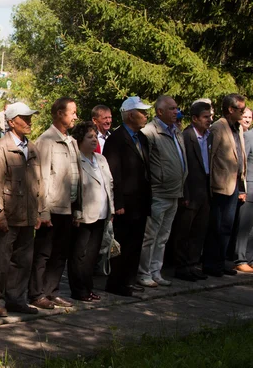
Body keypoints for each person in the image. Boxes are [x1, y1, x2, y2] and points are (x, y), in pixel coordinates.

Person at [0, 102, 41, 317]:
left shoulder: (33, 147)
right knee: (0, 260)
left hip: (28, 213)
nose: (29, 122)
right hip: (8, 214)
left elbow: (39, 181)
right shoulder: (1, 147)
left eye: (30, 117)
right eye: (24, 118)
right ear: (11, 122)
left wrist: (40, 211)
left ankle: (17, 299)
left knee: (23, 260)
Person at [28, 97, 81, 309]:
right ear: (59, 113)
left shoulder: (72, 141)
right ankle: (36, 293)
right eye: (72, 112)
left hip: (68, 207)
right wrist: (43, 211)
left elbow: (77, 176)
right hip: (51, 208)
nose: (76, 116)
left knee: (61, 253)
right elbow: (41, 178)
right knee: (43, 253)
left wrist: (78, 208)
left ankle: (52, 291)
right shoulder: (47, 141)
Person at [103, 96, 152, 297]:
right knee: (122, 243)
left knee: (136, 243)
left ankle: (129, 280)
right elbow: (113, 172)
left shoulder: (142, 138)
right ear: (131, 115)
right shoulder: (117, 139)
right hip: (125, 202)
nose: (146, 115)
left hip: (140, 201)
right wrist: (118, 202)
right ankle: (117, 283)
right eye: (142, 112)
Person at [138, 95, 187, 287]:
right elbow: (145, 162)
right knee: (150, 236)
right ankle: (143, 272)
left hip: (175, 192)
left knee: (163, 237)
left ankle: (155, 271)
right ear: (160, 111)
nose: (176, 112)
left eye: (176, 108)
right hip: (158, 192)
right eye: (172, 109)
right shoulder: (150, 132)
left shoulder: (176, 131)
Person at [202, 94, 247, 277]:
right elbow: (210, 157)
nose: (243, 114)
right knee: (216, 226)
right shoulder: (218, 128)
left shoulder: (238, 128)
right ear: (231, 109)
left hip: (234, 182)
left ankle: (221, 261)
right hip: (220, 184)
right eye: (241, 110)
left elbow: (240, 154)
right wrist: (210, 184)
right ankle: (211, 263)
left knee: (228, 226)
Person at [69, 121, 114, 302]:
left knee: (92, 256)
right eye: (90, 137)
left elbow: (109, 184)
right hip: (84, 214)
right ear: (80, 140)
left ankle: (89, 288)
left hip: (102, 213)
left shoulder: (101, 159)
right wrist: (75, 212)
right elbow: (73, 188)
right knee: (79, 255)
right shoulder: (76, 160)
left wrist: (111, 208)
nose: (94, 140)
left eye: (95, 136)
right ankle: (78, 290)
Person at [170, 101, 213, 281]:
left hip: (205, 190)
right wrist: (185, 193)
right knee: (184, 231)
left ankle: (193, 264)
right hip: (190, 191)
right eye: (205, 117)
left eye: (210, 117)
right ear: (194, 118)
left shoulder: (209, 136)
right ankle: (181, 266)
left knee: (199, 230)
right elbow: (183, 165)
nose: (209, 120)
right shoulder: (186, 136)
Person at [232, 110, 253, 273]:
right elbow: (242, 164)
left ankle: (250, 258)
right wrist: (241, 188)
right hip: (250, 187)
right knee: (244, 225)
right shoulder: (248, 136)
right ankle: (240, 258)